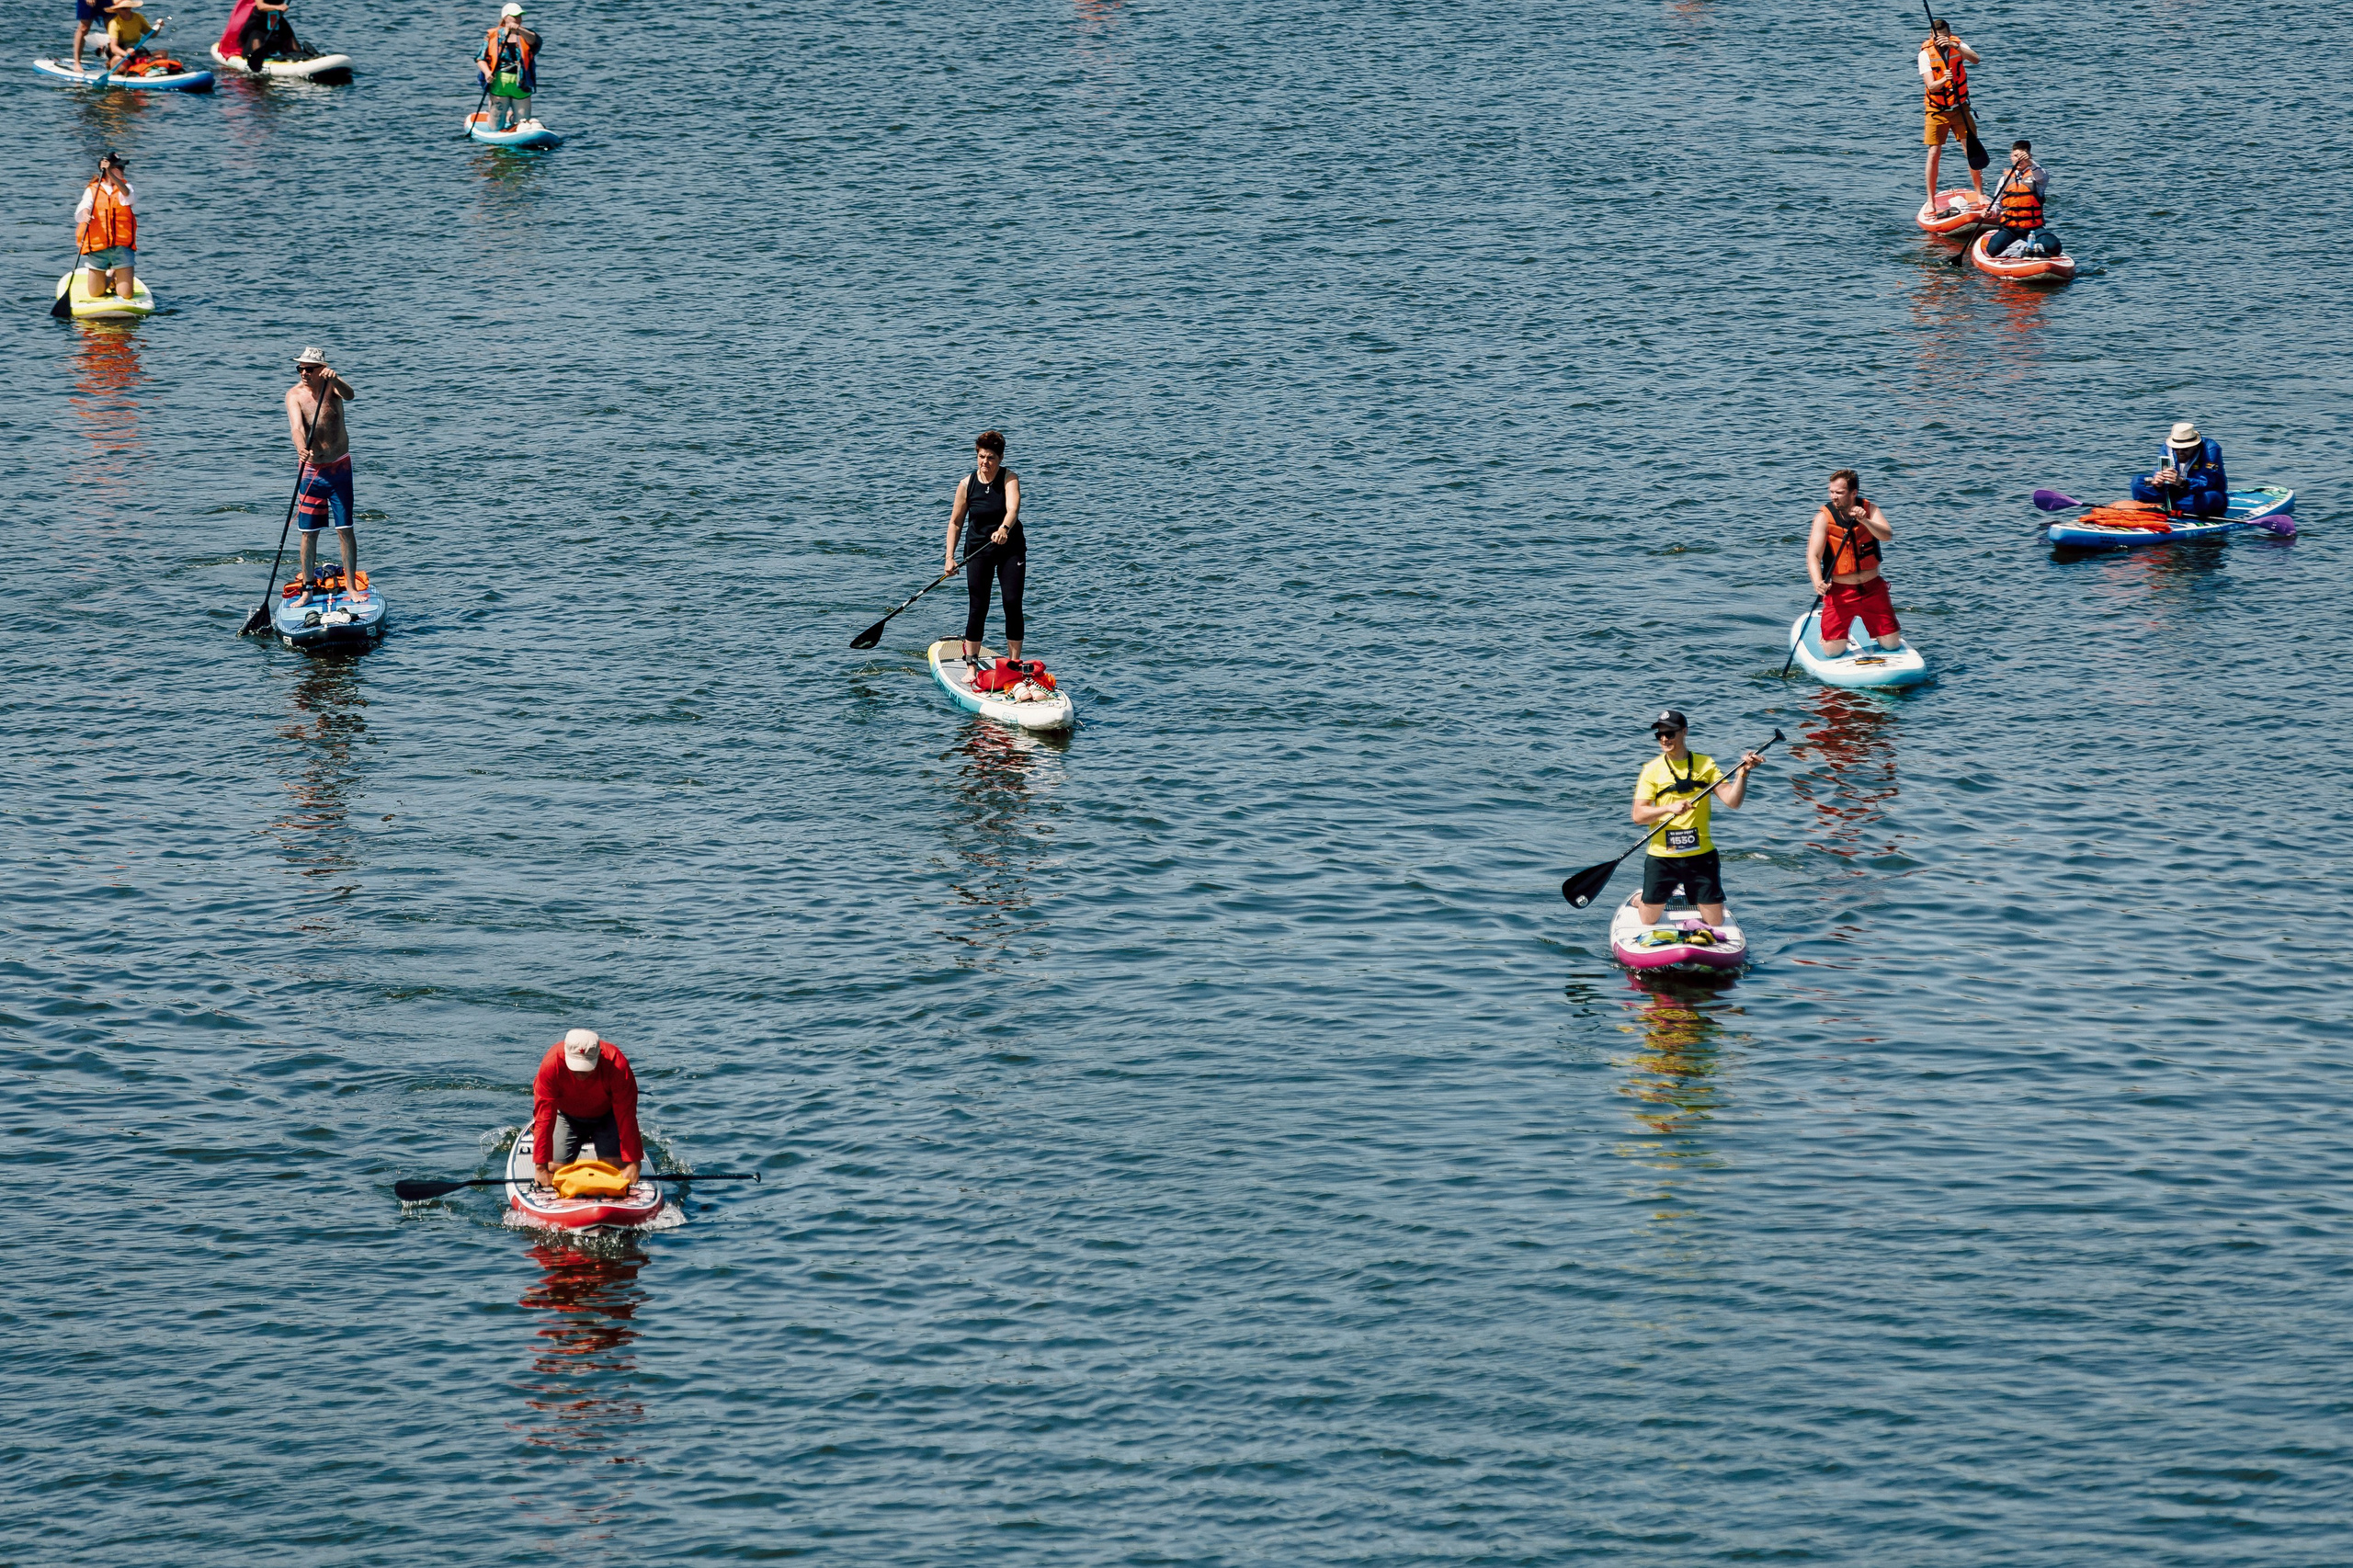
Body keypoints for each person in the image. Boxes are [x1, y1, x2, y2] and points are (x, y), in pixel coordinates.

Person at [1631, 710, 1767, 931]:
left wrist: (1742, 774)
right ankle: (1640, 899)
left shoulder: (1705, 764)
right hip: (1663, 857)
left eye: (1670, 733)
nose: (1664, 739)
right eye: (1659, 735)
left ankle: (1685, 894)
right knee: (1648, 920)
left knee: (1716, 922)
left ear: (1684, 732)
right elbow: (1638, 815)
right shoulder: (1651, 770)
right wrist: (1668, 808)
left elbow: (1733, 802)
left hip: (1701, 856)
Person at [944, 430, 1026, 668]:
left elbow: (1013, 509)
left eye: (990, 457)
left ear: (1000, 458)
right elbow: (955, 523)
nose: (985, 462)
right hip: (978, 551)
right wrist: (949, 558)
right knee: (979, 605)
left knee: (1012, 602)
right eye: (981, 456)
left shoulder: (1009, 478)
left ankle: (1014, 664)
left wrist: (1004, 528)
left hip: (1010, 549)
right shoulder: (966, 484)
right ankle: (971, 663)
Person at [284, 347, 360, 600]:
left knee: (345, 529)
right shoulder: (294, 395)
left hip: (339, 469)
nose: (304, 373)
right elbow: (296, 428)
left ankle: (351, 587)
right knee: (308, 533)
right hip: (311, 473)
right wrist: (300, 447)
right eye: (300, 368)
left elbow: (350, 395)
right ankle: (307, 589)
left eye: (309, 369)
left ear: (321, 369)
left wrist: (336, 378)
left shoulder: (333, 387)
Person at [530, 1029, 643, 1190]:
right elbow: (544, 1117)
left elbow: (627, 1115)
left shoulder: (617, 1064)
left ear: (598, 1055)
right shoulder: (551, 1064)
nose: (581, 1073)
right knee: (555, 1168)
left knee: (614, 1169)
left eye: (586, 1067)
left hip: (606, 1115)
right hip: (567, 1116)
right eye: (576, 1067)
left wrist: (634, 1163)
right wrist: (540, 1169)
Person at [1806, 469, 1901, 655]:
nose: (1834, 497)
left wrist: (1865, 521)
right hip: (1841, 592)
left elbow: (1887, 535)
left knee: (1892, 645)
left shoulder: (1870, 509)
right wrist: (1817, 582)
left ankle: (1878, 630)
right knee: (1832, 652)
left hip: (1873, 589)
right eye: (1831, 492)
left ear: (1853, 493)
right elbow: (1813, 556)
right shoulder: (1823, 518)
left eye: (1839, 493)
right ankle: (1826, 635)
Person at [1918, 18, 1983, 210]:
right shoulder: (1925, 54)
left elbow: (1976, 59)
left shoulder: (1957, 44)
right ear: (1931, 37)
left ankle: (1980, 194)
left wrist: (1955, 45)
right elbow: (1931, 85)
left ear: (1949, 34)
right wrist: (1943, 80)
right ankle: (1931, 201)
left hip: (1960, 107)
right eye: (1938, 38)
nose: (1942, 41)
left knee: (1970, 149)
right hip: (1937, 111)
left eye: (1945, 37)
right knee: (1934, 152)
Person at [74, 152, 138, 303]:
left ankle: (117, 272)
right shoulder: (92, 190)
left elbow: (127, 194)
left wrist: (110, 173)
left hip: (121, 249)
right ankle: (110, 275)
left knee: (126, 295)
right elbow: (85, 206)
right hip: (99, 248)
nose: (123, 170)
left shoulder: (126, 187)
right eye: (120, 167)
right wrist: (86, 214)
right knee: (96, 294)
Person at [1981, 140, 2062, 259]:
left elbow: (2041, 175)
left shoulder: (2038, 177)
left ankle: (2031, 248)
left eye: (2023, 156)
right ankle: (2022, 248)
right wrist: (1989, 212)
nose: (2019, 160)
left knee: (2054, 246)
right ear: (2011, 157)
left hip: (2033, 228)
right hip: (2010, 228)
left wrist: (2030, 162)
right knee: (1992, 249)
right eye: (2015, 156)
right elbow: (1997, 205)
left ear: (2029, 157)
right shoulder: (2004, 179)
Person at [2131, 421, 2228, 517]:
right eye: (2176, 449)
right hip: (2172, 491)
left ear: (2195, 446)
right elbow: (2159, 470)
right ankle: (2172, 506)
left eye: (2184, 449)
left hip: (2197, 492)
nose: (2179, 452)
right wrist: (2158, 483)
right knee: (2138, 482)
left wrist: (2182, 482)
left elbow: (2209, 482)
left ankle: (2162, 505)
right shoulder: (2167, 447)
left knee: (2211, 498)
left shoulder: (2211, 450)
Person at [477, 3, 541, 131]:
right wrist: (487, 72)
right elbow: (480, 59)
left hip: (521, 85)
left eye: (520, 16)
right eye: (515, 16)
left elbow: (535, 41)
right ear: (505, 17)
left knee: (522, 124)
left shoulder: (526, 35)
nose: (518, 19)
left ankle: (513, 119)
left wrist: (519, 29)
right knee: (496, 126)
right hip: (499, 86)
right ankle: (500, 117)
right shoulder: (493, 36)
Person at [97, 0, 161, 70]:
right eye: (124, 8)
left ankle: (143, 64)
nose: (128, 10)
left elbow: (151, 35)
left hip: (136, 50)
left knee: (163, 53)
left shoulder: (138, 17)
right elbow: (114, 47)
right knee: (119, 61)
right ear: (117, 10)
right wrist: (126, 54)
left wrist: (158, 27)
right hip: (122, 52)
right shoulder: (114, 23)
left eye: (129, 7)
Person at [237, 0, 301, 65]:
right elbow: (260, 6)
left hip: (276, 18)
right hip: (259, 21)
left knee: (295, 48)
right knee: (256, 45)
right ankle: (256, 60)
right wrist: (278, 7)